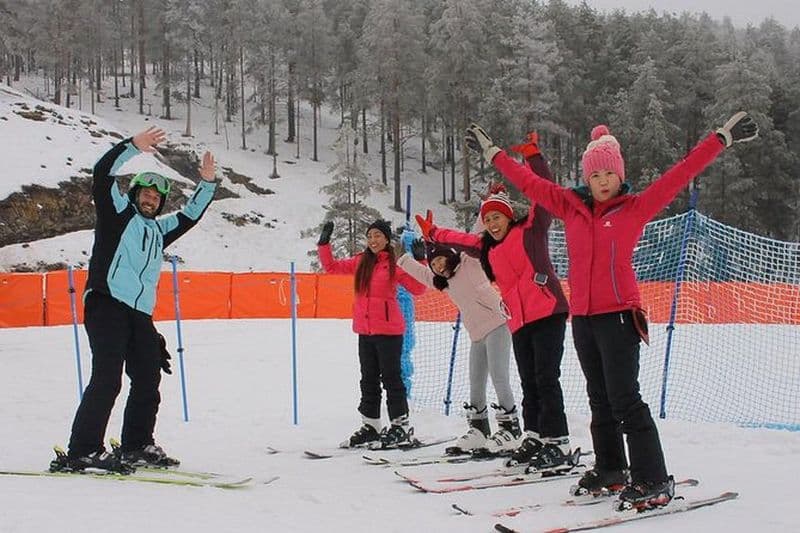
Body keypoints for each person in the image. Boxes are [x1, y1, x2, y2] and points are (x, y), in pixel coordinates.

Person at [464, 112, 758, 509]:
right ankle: (611, 468)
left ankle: (653, 477)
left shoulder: (634, 208)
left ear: (620, 176)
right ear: (587, 179)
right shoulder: (570, 206)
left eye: (609, 174)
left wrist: (720, 138)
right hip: (583, 319)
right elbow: (531, 183)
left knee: (624, 398)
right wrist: (493, 152)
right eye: (595, 175)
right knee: (599, 398)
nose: (602, 182)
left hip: (619, 316)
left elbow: (680, 174)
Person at [51, 126, 218, 474]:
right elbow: (102, 173)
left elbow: (190, 214)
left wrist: (206, 184)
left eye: (157, 198)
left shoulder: (158, 231)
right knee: (108, 378)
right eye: (146, 193)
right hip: (106, 303)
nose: (151, 200)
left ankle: (136, 445)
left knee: (147, 377)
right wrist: (132, 147)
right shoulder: (118, 215)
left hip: (139, 313)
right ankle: (83, 449)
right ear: (135, 194)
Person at [416, 143, 574, 473]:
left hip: (548, 311)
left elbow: (544, 192)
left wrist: (534, 159)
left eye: (496, 217)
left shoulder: (531, 229)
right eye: (487, 219)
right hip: (518, 319)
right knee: (529, 382)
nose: (492, 223)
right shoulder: (487, 248)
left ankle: (557, 441)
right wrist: (434, 235)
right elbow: (460, 241)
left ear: (508, 216)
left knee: (546, 378)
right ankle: (534, 437)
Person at [396, 237, 516, 455]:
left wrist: (439, 235)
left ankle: (511, 430)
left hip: (498, 325)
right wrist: (403, 259)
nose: (438, 266)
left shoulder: (469, 261)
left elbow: (475, 238)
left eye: (440, 260)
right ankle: (479, 430)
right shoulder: (445, 282)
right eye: (434, 264)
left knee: (499, 377)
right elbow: (422, 274)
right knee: (476, 382)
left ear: (450, 255)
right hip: (477, 335)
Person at [317, 219, 427, 448]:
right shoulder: (361, 262)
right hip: (365, 331)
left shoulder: (396, 264)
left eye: (377, 235)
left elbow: (419, 288)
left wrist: (420, 261)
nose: (373, 240)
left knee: (392, 379)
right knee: (368, 379)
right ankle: (371, 426)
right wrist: (324, 244)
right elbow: (331, 267)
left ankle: (400, 426)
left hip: (389, 332)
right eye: (369, 236)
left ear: (386, 239)